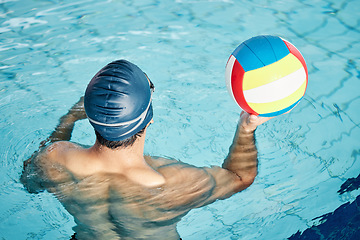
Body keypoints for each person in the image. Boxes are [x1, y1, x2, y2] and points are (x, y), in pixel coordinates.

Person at [21, 59, 274, 240]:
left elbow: (29, 183)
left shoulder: (54, 160)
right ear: (148, 119)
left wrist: (67, 120)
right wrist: (246, 127)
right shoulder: (177, 183)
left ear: (89, 115)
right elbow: (241, 178)